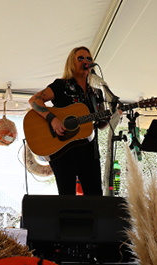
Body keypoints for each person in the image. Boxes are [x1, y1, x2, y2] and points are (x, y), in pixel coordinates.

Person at [28, 46, 107, 195]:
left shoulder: (96, 93)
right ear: (71, 63)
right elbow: (34, 101)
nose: (86, 61)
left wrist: (114, 116)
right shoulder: (61, 86)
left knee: (95, 198)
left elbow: (101, 124)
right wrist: (53, 119)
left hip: (89, 152)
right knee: (67, 199)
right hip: (63, 151)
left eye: (89, 59)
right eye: (81, 58)